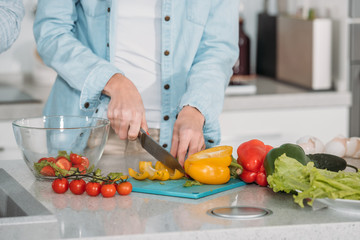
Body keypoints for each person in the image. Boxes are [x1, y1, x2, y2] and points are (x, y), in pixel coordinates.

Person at [33, 0, 239, 166]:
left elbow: (218, 50)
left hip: (173, 141)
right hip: (93, 134)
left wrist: (195, 108)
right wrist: (113, 81)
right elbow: (50, 33)